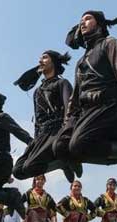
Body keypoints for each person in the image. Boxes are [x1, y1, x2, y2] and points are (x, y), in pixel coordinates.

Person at [54, 11, 117, 174]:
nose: (82, 23)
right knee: (61, 147)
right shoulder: (80, 62)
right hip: (87, 113)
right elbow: (74, 98)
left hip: (112, 109)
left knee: (78, 145)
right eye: (80, 21)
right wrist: (67, 124)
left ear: (99, 24)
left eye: (88, 19)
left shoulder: (110, 43)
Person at [13, 51, 76, 182]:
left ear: (54, 62)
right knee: (18, 171)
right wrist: (35, 141)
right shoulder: (38, 91)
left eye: (45, 57)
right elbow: (37, 119)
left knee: (31, 166)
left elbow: (71, 108)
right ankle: (60, 162)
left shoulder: (62, 83)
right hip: (42, 134)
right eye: (40, 58)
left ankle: (64, 160)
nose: (40, 60)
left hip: (57, 130)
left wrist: (67, 131)